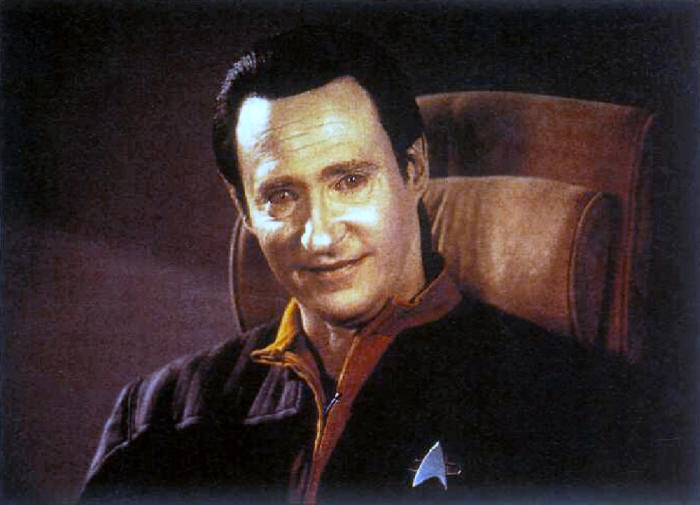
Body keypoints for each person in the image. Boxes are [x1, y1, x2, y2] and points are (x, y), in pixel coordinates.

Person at [81, 25, 647, 504]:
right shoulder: (158, 415)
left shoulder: (577, 407)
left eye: (349, 181)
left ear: (414, 170)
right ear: (244, 208)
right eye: (281, 195)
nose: (320, 235)